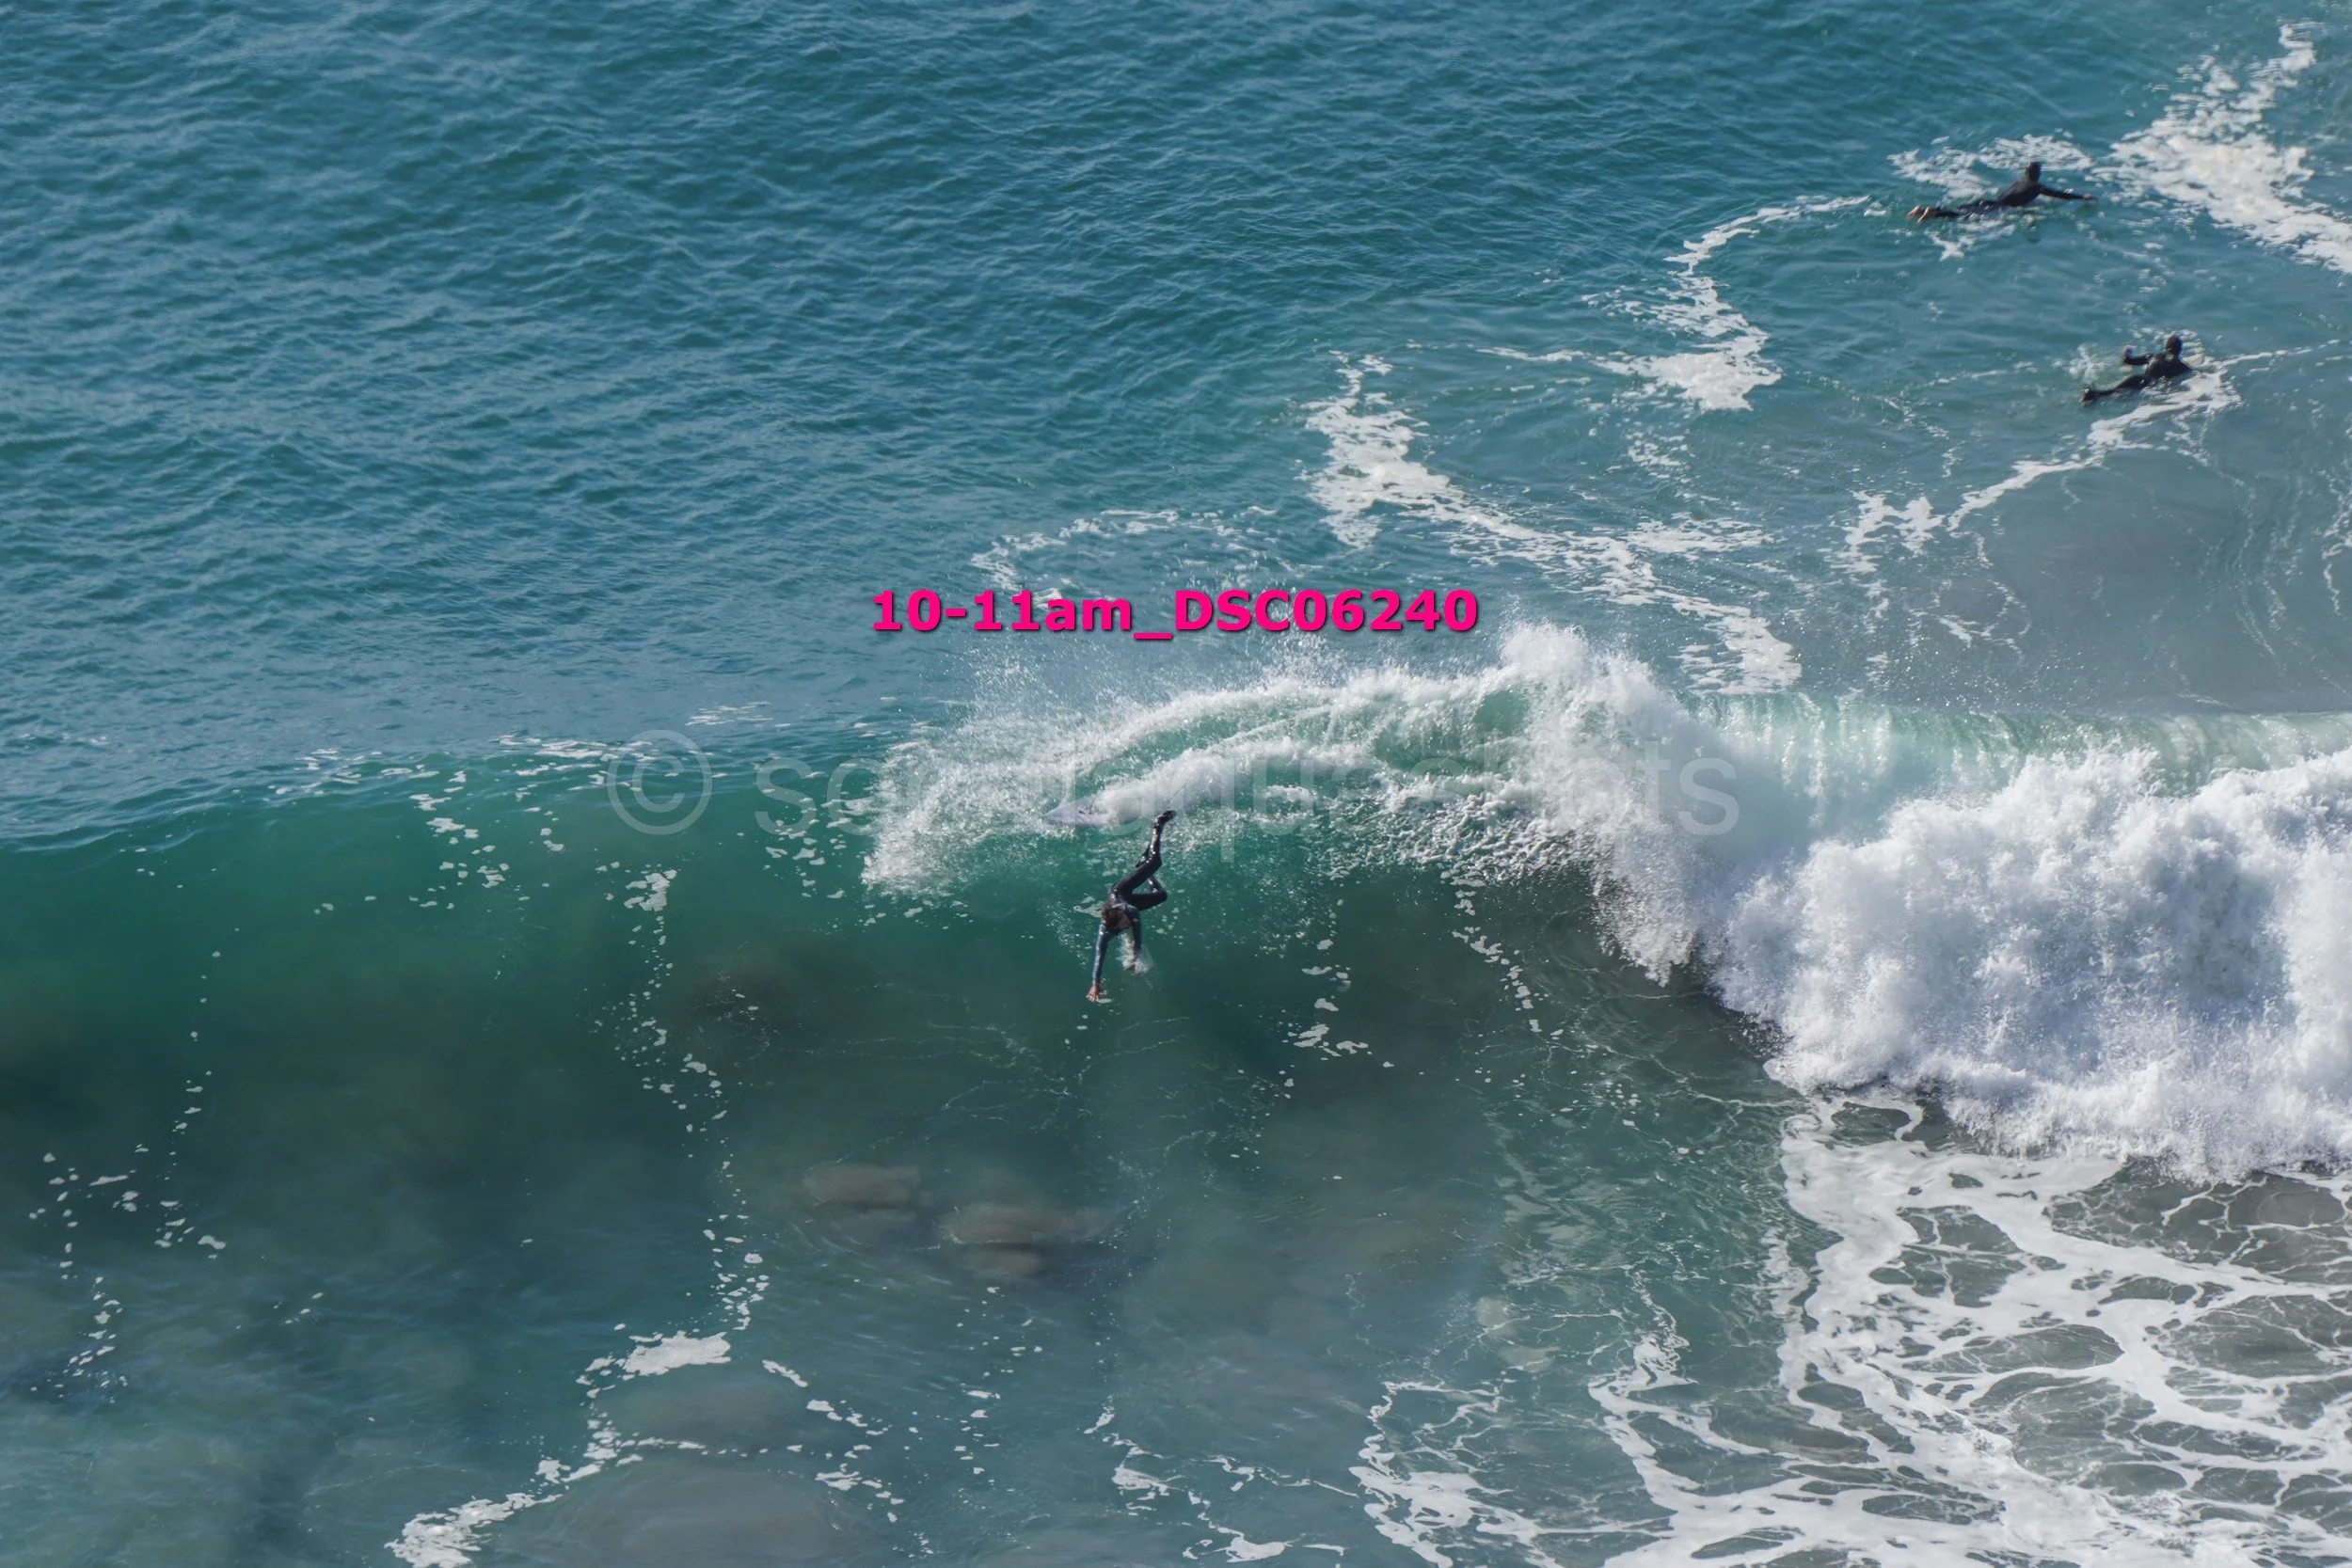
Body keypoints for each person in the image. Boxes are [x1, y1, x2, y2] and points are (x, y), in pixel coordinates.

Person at [1089, 811, 1177, 1003]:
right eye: (1124, 922)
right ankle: (1147, 868)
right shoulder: (1106, 933)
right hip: (1121, 901)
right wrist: (1096, 983)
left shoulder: (1130, 911)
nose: (1129, 921)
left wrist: (1135, 954)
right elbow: (1099, 957)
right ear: (1114, 926)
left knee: (1156, 862)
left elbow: (1137, 938)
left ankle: (1157, 825)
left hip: (1120, 890)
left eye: (1125, 918)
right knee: (1161, 896)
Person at [1909, 161, 2093, 221]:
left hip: (1988, 201)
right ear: (2037, 175)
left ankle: (1927, 209)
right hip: (1998, 207)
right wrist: (2081, 197)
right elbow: (2059, 194)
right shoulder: (2037, 187)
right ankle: (1932, 213)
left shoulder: (2018, 182)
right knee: (1964, 218)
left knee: (1962, 209)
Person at [2083, 335, 2194, 402]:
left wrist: (2126, 352)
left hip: (2138, 377)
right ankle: (2095, 395)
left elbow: (2127, 361)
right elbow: (2190, 372)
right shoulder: (2180, 366)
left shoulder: (2153, 356)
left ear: (2166, 348)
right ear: (2179, 350)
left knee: (2113, 391)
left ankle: (2092, 394)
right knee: (2119, 394)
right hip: (2150, 384)